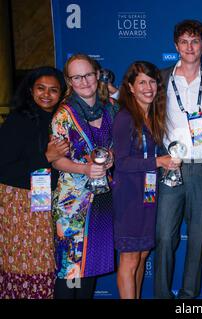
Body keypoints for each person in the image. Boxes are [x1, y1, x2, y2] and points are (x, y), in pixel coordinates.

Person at [154, 19, 202, 299]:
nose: (190, 47)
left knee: (198, 238)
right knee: (164, 236)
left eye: (195, 41)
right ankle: (163, 295)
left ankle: (188, 298)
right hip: (169, 166)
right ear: (176, 46)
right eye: (184, 42)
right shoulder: (160, 78)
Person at [51, 53, 118, 299]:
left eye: (88, 74)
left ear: (96, 74)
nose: (84, 81)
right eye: (76, 77)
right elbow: (56, 160)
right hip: (73, 205)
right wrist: (85, 169)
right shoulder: (64, 115)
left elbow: (128, 131)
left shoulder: (110, 107)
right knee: (70, 272)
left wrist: (112, 155)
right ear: (69, 81)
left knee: (90, 269)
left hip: (101, 201)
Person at [113, 61, 180, 299]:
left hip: (148, 195)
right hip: (129, 196)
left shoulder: (152, 115)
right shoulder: (124, 117)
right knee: (130, 258)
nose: (148, 87)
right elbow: (120, 162)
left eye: (152, 81)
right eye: (141, 82)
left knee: (141, 256)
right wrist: (158, 162)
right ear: (130, 87)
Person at [0, 67, 68, 299]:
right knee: (23, 264)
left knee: (46, 263)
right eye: (41, 88)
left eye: (53, 90)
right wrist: (45, 158)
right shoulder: (18, 121)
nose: (46, 95)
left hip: (47, 202)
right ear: (31, 90)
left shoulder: (61, 120)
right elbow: (4, 169)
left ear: (62, 93)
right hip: (18, 207)